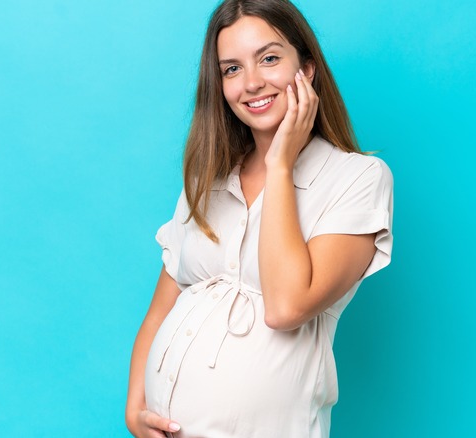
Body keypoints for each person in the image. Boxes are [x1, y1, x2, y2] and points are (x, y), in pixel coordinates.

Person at [125, 0, 393, 436]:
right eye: (231, 69)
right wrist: (135, 408)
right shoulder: (208, 178)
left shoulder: (357, 178)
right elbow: (160, 311)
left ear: (306, 69)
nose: (251, 83)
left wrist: (281, 165)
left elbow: (287, 306)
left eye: (269, 58)